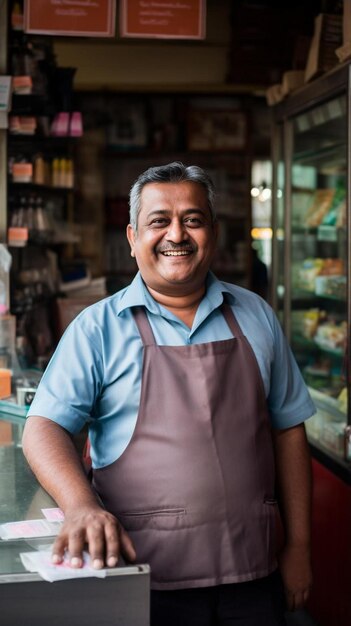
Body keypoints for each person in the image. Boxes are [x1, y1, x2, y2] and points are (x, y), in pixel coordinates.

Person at [23, 162, 315, 626]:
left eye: (193, 220)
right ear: (132, 236)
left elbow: (289, 432)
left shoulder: (256, 314)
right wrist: (81, 507)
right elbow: (43, 428)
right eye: (159, 221)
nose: (176, 234)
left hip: (253, 575)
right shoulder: (97, 329)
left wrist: (299, 544)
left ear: (213, 233)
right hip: (142, 576)